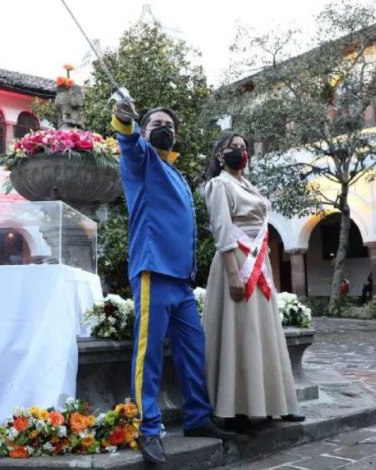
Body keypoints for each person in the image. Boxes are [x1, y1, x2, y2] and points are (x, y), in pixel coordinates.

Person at [112, 100, 236, 464]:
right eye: (156, 124)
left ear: (176, 135)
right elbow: (129, 142)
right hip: (153, 270)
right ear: (145, 130)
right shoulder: (142, 161)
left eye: (169, 124)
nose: (163, 128)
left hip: (181, 281)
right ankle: (147, 428)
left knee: (194, 350)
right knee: (148, 353)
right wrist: (123, 120)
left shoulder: (176, 173)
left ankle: (198, 417)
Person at [203, 133, 304, 432]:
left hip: (259, 262)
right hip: (235, 261)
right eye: (233, 148)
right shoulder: (219, 184)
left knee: (264, 330)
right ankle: (236, 407)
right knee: (241, 330)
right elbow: (221, 228)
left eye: (244, 148)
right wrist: (233, 272)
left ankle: (273, 403)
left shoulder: (248, 185)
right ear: (220, 155)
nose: (240, 152)